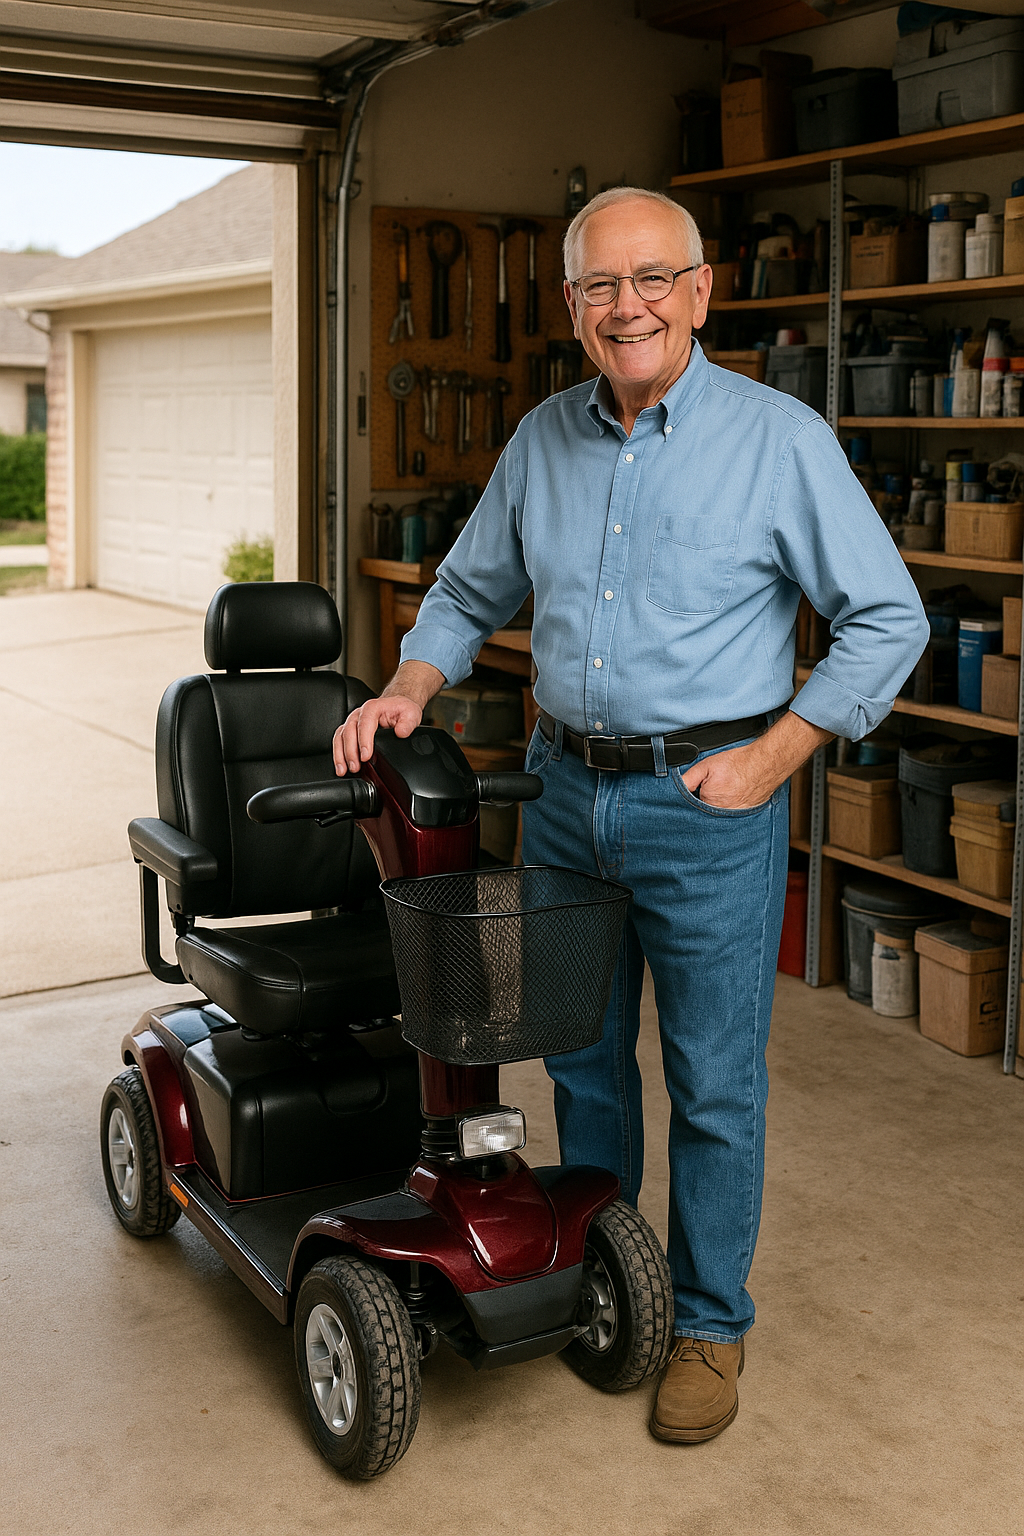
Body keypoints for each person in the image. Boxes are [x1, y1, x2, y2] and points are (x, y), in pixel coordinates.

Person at [334, 186, 929, 1443]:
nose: (629, 306)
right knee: (584, 1067)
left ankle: (707, 1327)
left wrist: (780, 753)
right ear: (571, 310)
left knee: (713, 1082)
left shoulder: (779, 440)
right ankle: (612, 1278)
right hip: (561, 795)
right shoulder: (541, 440)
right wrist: (408, 682)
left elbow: (890, 618)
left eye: (653, 279)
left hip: (709, 803)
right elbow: (465, 585)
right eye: (602, 287)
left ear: (700, 294)